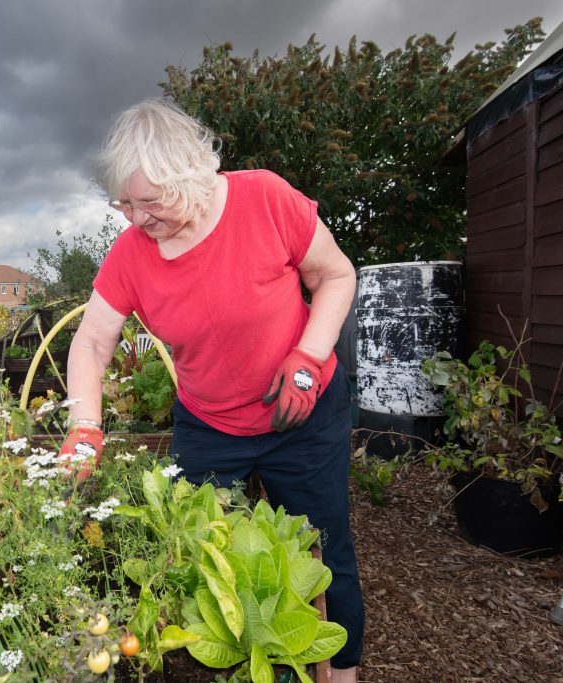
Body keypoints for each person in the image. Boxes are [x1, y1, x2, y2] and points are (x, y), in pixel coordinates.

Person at [59, 98, 363, 681]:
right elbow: (93, 342)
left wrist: (307, 358)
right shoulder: (130, 256)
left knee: (324, 554)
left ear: (191, 175)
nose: (135, 219)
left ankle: (340, 675)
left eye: (150, 201)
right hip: (210, 424)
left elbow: (335, 274)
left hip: (302, 412)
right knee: (196, 556)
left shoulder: (265, 198)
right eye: (123, 203)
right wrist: (84, 426)